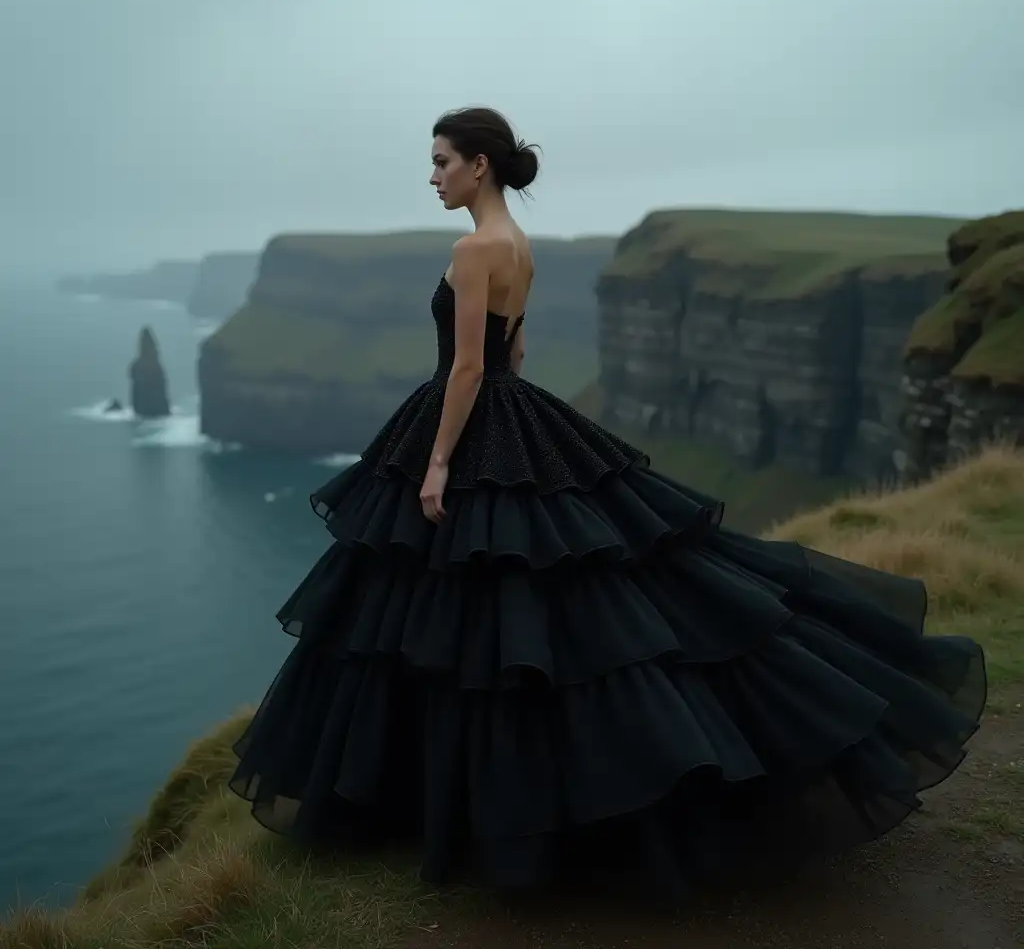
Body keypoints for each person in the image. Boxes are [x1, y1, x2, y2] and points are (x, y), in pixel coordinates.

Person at [229, 106, 986, 897]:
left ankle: (427, 800)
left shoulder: (472, 247)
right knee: (564, 610)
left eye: (442, 161)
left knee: (436, 622)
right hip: (521, 418)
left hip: (467, 424)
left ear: (478, 166)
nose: (433, 176)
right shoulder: (519, 246)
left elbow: (466, 370)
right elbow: (515, 350)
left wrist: (438, 464)